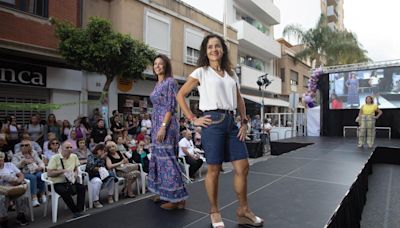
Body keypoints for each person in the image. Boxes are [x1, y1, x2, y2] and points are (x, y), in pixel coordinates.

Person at [176, 34, 263, 228]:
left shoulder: (231, 74)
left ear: (222, 50)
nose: (214, 50)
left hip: (232, 122)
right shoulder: (201, 72)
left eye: (217, 46)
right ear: (205, 52)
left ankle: (243, 210)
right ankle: (214, 211)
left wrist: (244, 121)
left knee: (243, 166)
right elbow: (180, 95)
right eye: (210, 47)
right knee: (214, 169)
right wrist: (193, 118)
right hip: (212, 122)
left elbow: (239, 99)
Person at [148, 54, 188, 210]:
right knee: (159, 160)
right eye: (155, 64)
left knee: (168, 161)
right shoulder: (158, 84)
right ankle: (164, 193)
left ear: (166, 66)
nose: (157, 66)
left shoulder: (170, 82)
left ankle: (178, 199)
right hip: (157, 124)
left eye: (161, 64)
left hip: (166, 125)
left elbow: (171, 106)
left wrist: (163, 126)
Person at [47, 142, 86, 218]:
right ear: (61, 148)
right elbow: (49, 173)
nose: (69, 149)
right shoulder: (54, 158)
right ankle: (75, 211)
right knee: (64, 191)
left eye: (71, 147)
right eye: (67, 148)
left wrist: (74, 174)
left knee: (81, 188)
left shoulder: (74, 156)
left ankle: (79, 210)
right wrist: (62, 171)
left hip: (70, 181)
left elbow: (76, 168)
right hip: (57, 182)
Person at [12, 140, 45, 207]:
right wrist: (23, 162)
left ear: (30, 146)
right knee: (32, 178)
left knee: (40, 175)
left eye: (26, 145)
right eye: (22, 145)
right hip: (24, 173)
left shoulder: (34, 153)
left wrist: (40, 167)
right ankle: (34, 198)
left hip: (35, 171)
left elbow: (40, 162)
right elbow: (14, 167)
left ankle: (42, 195)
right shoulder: (16, 155)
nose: (24, 147)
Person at [0, 152, 30, 226]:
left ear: (3, 159)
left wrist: (18, 181)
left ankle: (21, 215)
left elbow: (21, 175)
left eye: (1, 158)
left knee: (23, 196)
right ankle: (3, 218)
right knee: (2, 198)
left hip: (14, 187)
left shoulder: (10, 165)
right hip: (2, 190)